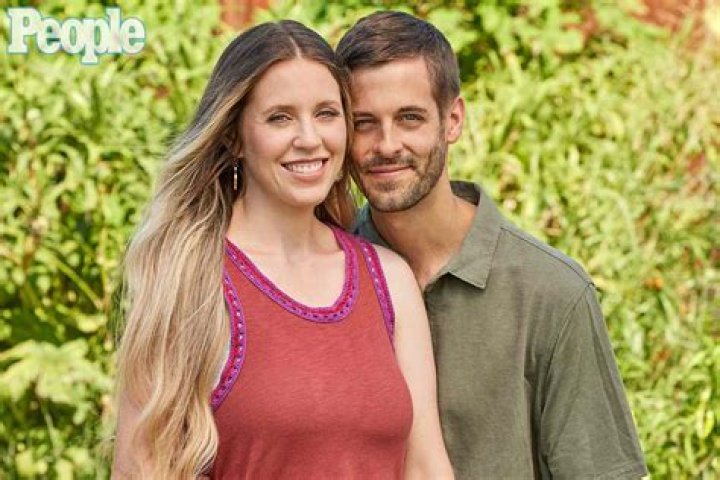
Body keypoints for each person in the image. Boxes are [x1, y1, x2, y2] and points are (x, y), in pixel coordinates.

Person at [112, 20, 453, 479]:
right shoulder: (191, 278)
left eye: (326, 113)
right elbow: (141, 468)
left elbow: (427, 466)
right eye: (280, 118)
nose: (309, 139)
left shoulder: (389, 279)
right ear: (234, 136)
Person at [337, 10, 648, 480]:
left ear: (453, 120)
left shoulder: (552, 293)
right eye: (363, 123)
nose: (386, 144)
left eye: (410, 118)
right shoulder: (318, 278)